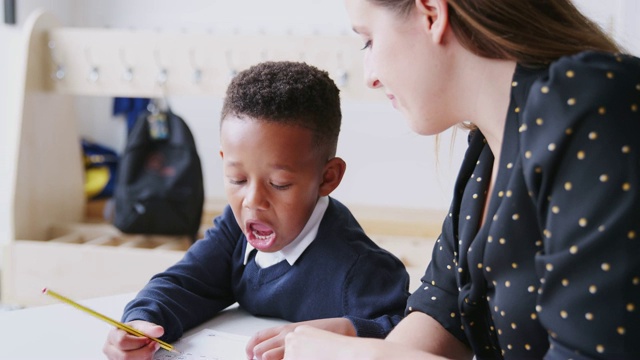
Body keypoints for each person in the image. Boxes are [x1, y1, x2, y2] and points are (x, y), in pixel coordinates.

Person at [283, 0, 640, 359]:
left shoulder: (596, 108)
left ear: (432, 14)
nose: (369, 76)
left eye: (369, 40)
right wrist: (353, 341)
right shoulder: (488, 150)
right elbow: (441, 313)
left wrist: (365, 355)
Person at [102, 61, 410, 360]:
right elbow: (186, 283)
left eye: (279, 183)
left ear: (327, 178)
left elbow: (413, 332)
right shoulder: (234, 231)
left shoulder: (358, 269)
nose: (252, 200)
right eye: (237, 179)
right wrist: (140, 323)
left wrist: (346, 332)